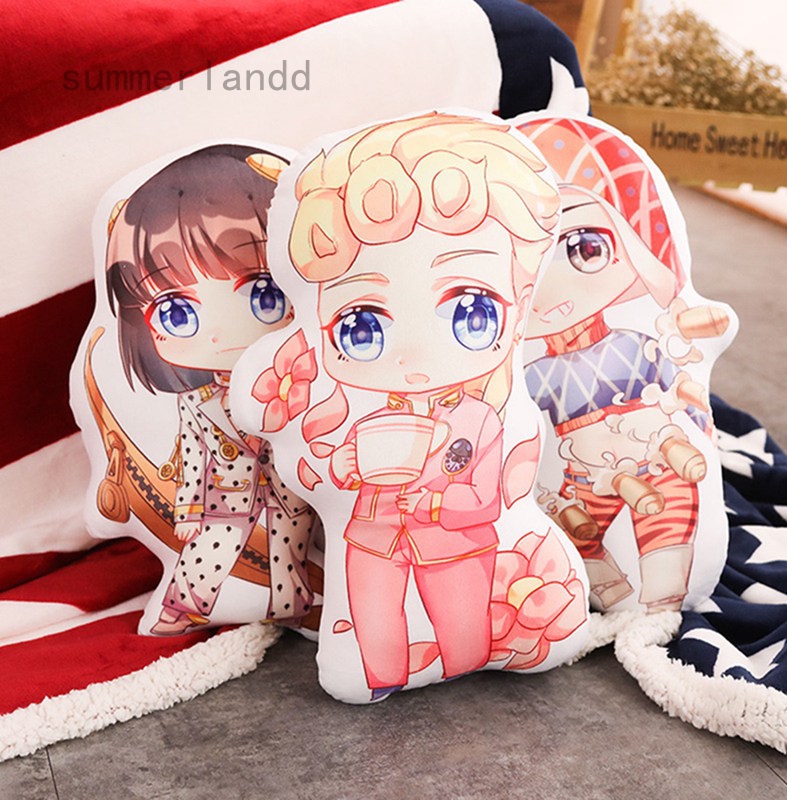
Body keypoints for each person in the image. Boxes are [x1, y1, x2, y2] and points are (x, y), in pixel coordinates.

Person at [282, 112, 560, 697]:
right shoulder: (364, 412)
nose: (413, 353)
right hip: (370, 537)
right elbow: (334, 471)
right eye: (360, 324)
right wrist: (342, 467)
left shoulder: (482, 418)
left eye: (471, 311)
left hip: (455, 542)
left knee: (464, 629)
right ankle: (379, 675)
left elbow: (485, 495)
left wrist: (430, 501)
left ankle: (465, 658)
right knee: (373, 627)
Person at [520, 117, 729, 612]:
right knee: (576, 528)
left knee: (670, 505)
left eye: (585, 248)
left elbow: (678, 382)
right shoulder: (533, 372)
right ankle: (605, 585)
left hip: (654, 446)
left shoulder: (636, 342)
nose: (553, 285)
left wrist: (693, 409)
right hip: (582, 471)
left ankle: (660, 602)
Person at [105, 144, 314, 635]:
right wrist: (188, 510)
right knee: (208, 554)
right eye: (177, 312)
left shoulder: (301, 379)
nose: (220, 334)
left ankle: (295, 607)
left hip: (292, 492)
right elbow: (194, 456)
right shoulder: (197, 403)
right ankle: (180, 608)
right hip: (226, 498)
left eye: (264, 293)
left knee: (290, 550)